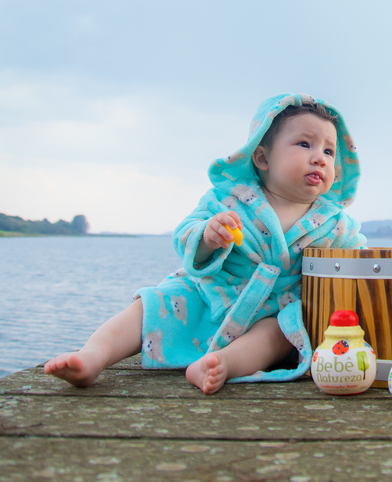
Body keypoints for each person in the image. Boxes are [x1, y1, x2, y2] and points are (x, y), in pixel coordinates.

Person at [43, 93, 366, 393]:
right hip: (212, 292)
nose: (319, 159)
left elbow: (358, 258)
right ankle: (93, 356)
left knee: (282, 334)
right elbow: (186, 233)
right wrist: (207, 237)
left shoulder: (335, 222)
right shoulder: (230, 200)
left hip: (274, 309)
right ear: (262, 157)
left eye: (328, 151)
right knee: (153, 303)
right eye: (304, 144)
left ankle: (221, 365)